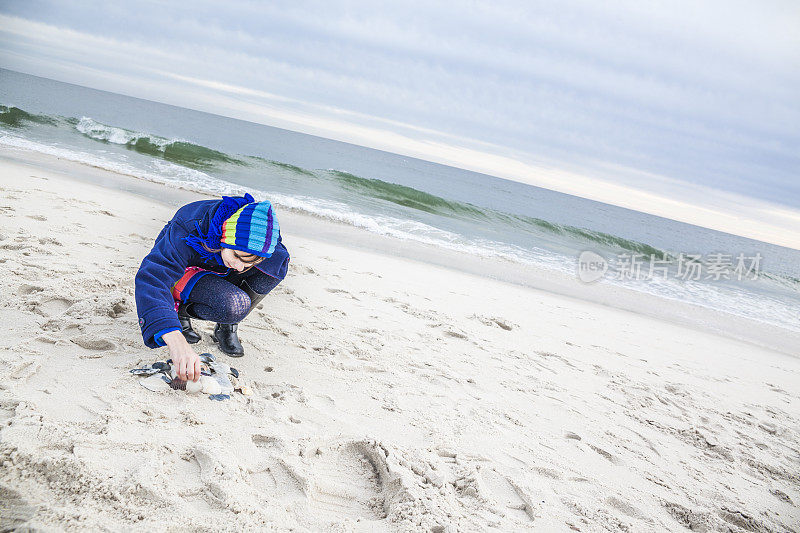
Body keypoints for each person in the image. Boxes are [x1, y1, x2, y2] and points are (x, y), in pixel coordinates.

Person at [135, 193, 289, 382]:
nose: (241, 267)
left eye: (247, 263)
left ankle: (227, 325)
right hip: (186, 269)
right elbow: (152, 278)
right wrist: (174, 338)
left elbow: (268, 263)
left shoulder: (265, 239)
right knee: (233, 303)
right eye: (237, 256)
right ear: (224, 236)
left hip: (219, 269)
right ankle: (178, 313)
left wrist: (241, 263)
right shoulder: (189, 225)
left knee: (277, 264)